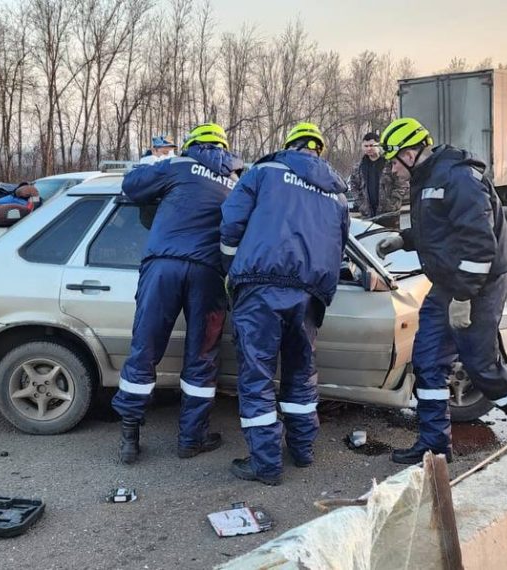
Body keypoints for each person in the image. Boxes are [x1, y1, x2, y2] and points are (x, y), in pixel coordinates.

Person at [374, 117, 507, 464]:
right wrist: (405, 239)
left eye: (393, 161)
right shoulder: (427, 177)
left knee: (482, 368)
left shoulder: (457, 176)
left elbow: (478, 246)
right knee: (428, 363)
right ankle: (434, 447)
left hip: (479, 285)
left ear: (411, 153)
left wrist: (463, 297)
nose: (392, 170)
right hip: (447, 283)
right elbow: (441, 231)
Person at [219, 122, 350, 485]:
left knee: (257, 376)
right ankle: (303, 450)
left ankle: (265, 464)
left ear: (289, 146)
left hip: (260, 286)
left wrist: (230, 267)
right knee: (300, 371)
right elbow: (339, 247)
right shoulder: (337, 194)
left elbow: (231, 222)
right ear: (319, 152)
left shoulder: (265, 172)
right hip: (309, 293)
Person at [111, 123, 243, 464]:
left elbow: (132, 186)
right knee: (202, 357)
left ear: (192, 145)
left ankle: (129, 439)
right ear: (225, 150)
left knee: (145, 349)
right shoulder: (235, 183)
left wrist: (154, 168)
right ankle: (190, 440)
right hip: (209, 273)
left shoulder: (179, 166)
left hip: (164, 266)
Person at [347, 132, 409, 228]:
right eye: (366, 146)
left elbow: (402, 183)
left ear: (379, 145)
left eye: (372, 145)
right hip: (368, 215)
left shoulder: (390, 163)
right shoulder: (359, 167)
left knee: (391, 240)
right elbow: (354, 185)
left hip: (389, 215)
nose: (368, 148)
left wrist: (392, 203)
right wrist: (361, 204)